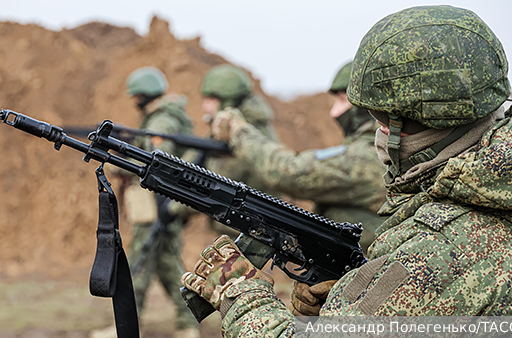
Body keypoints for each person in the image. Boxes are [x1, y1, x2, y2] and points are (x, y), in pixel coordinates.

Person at [180, 5, 512, 337]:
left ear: (425, 123)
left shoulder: (440, 251)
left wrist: (243, 296)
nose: (377, 134)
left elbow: (287, 172)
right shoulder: (499, 185)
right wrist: (361, 289)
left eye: (380, 120)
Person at [210, 61, 386, 252]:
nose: (334, 111)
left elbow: (287, 172)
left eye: (343, 101)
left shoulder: (368, 157)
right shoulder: (378, 152)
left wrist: (238, 130)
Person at [109, 66, 199, 338]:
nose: (134, 100)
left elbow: (158, 163)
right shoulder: (163, 118)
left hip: (158, 206)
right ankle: (188, 324)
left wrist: (121, 163)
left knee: (136, 265)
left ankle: (124, 328)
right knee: (170, 268)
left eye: (136, 95)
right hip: (163, 206)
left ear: (143, 95)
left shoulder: (161, 122)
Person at [170, 64, 281, 237]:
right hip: (240, 229)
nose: (205, 107)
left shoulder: (243, 135)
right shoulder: (234, 129)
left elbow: (214, 184)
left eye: (211, 100)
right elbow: (199, 158)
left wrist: (172, 208)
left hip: (248, 234)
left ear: (228, 102)